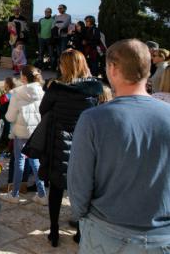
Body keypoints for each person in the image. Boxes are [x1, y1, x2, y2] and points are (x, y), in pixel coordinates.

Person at [69, 39, 170, 252]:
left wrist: (84, 217)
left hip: (107, 233)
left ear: (113, 68)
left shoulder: (93, 119)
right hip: (163, 237)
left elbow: (79, 183)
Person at [38, 49, 103, 247]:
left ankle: (55, 232)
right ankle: (80, 232)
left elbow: (43, 110)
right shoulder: (95, 89)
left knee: (56, 189)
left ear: (63, 66)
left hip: (58, 142)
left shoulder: (56, 89)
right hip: (86, 143)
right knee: (84, 189)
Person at [3, 65, 47, 204]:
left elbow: (9, 117)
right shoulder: (42, 92)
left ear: (23, 77)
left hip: (21, 132)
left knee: (19, 162)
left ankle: (14, 194)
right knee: (35, 161)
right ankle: (42, 194)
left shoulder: (17, 93)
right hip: (36, 132)